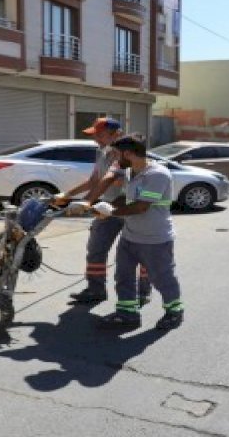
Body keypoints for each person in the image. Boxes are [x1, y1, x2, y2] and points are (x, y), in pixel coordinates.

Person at [53, 118, 152, 305]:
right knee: (96, 249)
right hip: (106, 208)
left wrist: (87, 202)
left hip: (131, 209)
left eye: (99, 135)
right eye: (94, 135)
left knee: (140, 252)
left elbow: (114, 180)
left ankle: (143, 290)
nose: (95, 139)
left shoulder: (130, 153)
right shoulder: (102, 153)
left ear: (117, 134)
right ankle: (95, 289)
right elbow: (94, 180)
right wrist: (67, 195)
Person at [92, 135, 183, 330]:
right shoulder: (130, 172)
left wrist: (112, 212)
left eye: (117, 155)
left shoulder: (157, 174)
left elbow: (142, 206)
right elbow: (126, 198)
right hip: (130, 236)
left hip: (154, 239)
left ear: (128, 153)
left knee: (162, 278)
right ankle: (127, 314)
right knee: (123, 277)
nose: (115, 160)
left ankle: (174, 311)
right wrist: (103, 207)